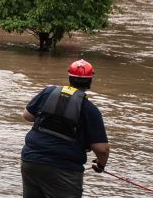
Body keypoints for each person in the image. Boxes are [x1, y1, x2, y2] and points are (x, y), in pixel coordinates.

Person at [21, 59, 110, 198]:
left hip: (31, 161)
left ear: (69, 78)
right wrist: (101, 165)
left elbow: (27, 116)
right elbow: (102, 149)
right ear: (90, 82)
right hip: (64, 170)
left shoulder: (48, 92)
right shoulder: (90, 110)